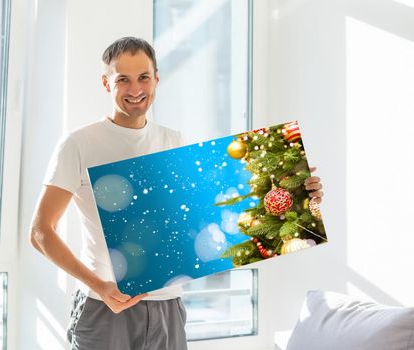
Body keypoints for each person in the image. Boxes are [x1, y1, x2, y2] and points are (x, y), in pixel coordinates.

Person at [29, 37, 324, 350]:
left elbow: (208, 216)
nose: (135, 89)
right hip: (104, 308)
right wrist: (99, 287)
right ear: (106, 83)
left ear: (156, 78)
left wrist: (300, 197)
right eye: (123, 80)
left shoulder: (174, 140)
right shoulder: (78, 144)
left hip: (168, 307)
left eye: (143, 77)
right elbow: (40, 232)